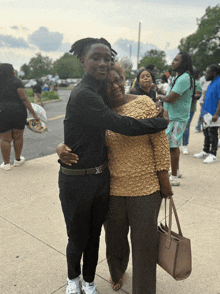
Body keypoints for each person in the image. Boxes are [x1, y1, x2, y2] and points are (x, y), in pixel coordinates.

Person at [57, 37, 169, 294]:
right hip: (95, 183)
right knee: (93, 238)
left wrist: (164, 180)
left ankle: (106, 284)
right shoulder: (90, 99)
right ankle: (82, 280)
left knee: (117, 239)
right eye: (96, 58)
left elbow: (159, 144)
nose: (104, 65)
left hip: (121, 183)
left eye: (108, 60)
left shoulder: (137, 101)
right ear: (83, 61)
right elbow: (110, 129)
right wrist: (59, 148)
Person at [157, 52, 195, 186]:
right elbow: (169, 95)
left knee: (173, 147)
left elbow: (170, 98)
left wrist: (159, 97)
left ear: (183, 63)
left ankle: (173, 176)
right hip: (173, 116)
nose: (173, 62)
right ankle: (176, 170)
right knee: (173, 145)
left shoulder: (184, 78)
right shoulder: (179, 77)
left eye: (176, 60)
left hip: (176, 118)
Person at [0, 63, 40, 171]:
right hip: (18, 111)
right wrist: (34, 114)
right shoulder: (17, 82)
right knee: (18, 136)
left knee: (4, 139)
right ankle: (17, 160)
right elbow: (24, 99)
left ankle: (6, 164)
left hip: (2, 112)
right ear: (11, 71)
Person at [194, 64, 220, 164]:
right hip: (206, 113)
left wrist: (217, 114)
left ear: (215, 73)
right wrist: (202, 114)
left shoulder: (219, 82)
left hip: (214, 114)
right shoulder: (211, 82)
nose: (206, 75)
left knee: (213, 134)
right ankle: (206, 150)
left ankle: (213, 154)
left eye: (208, 73)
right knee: (206, 133)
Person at [182, 70, 202, 154]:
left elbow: (198, 95)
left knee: (186, 127)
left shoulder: (196, 83)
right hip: (179, 108)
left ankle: (184, 145)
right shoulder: (181, 81)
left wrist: (187, 95)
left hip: (190, 109)